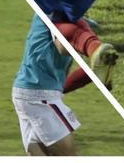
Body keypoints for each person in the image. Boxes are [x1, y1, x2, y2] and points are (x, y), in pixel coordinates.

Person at [11, 15, 81, 156]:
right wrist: (86, 42)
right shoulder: (55, 12)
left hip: (27, 90)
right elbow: (62, 47)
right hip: (40, 93)